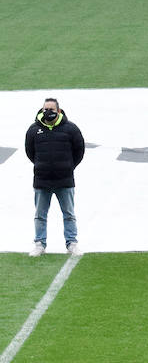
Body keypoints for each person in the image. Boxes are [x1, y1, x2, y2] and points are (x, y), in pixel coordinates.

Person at [24, 98, 84, 257]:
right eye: (45, 109)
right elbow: (30, 152)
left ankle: (72, 243)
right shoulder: (33, 130)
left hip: (64, 180)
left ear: (58, 111)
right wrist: (42, 165)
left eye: (51, 109)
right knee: (40, 215)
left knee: (69, 214)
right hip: (42, 180)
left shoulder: (71, 129)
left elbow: (79, 151)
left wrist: (68, 167)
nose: (48, 112)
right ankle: (39, 244)